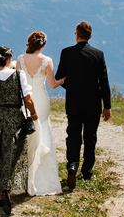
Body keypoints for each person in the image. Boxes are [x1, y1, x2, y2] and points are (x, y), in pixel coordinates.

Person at [0, 45, 38, 216]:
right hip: (15, 118)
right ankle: (7, 191)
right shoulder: (19, 75)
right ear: (9, 60)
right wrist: (33, 114)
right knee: (13, 154)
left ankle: (0, 193)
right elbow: (27, 99)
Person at [54, 21, 111, 188]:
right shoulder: (98, 54)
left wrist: (70, 87)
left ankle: (72, 165)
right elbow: (104, 82)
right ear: (90, 36)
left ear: (76, 35)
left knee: (73, 134)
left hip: (74, 101)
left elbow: (59, 77)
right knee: (90, 136)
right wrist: (107, 105)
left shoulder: (66, 53)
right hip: (93, 102)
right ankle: (87, 171)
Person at [15, 31, 65, 195]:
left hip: (25, 99)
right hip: (41, 100)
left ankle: (23, 179)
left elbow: (18, 84)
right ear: (43, 44)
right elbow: (51, 85)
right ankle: (44, 182)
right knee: (43, 131)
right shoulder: (47, 61)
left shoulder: (21, 59)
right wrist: (63, 80)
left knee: (26, 133)